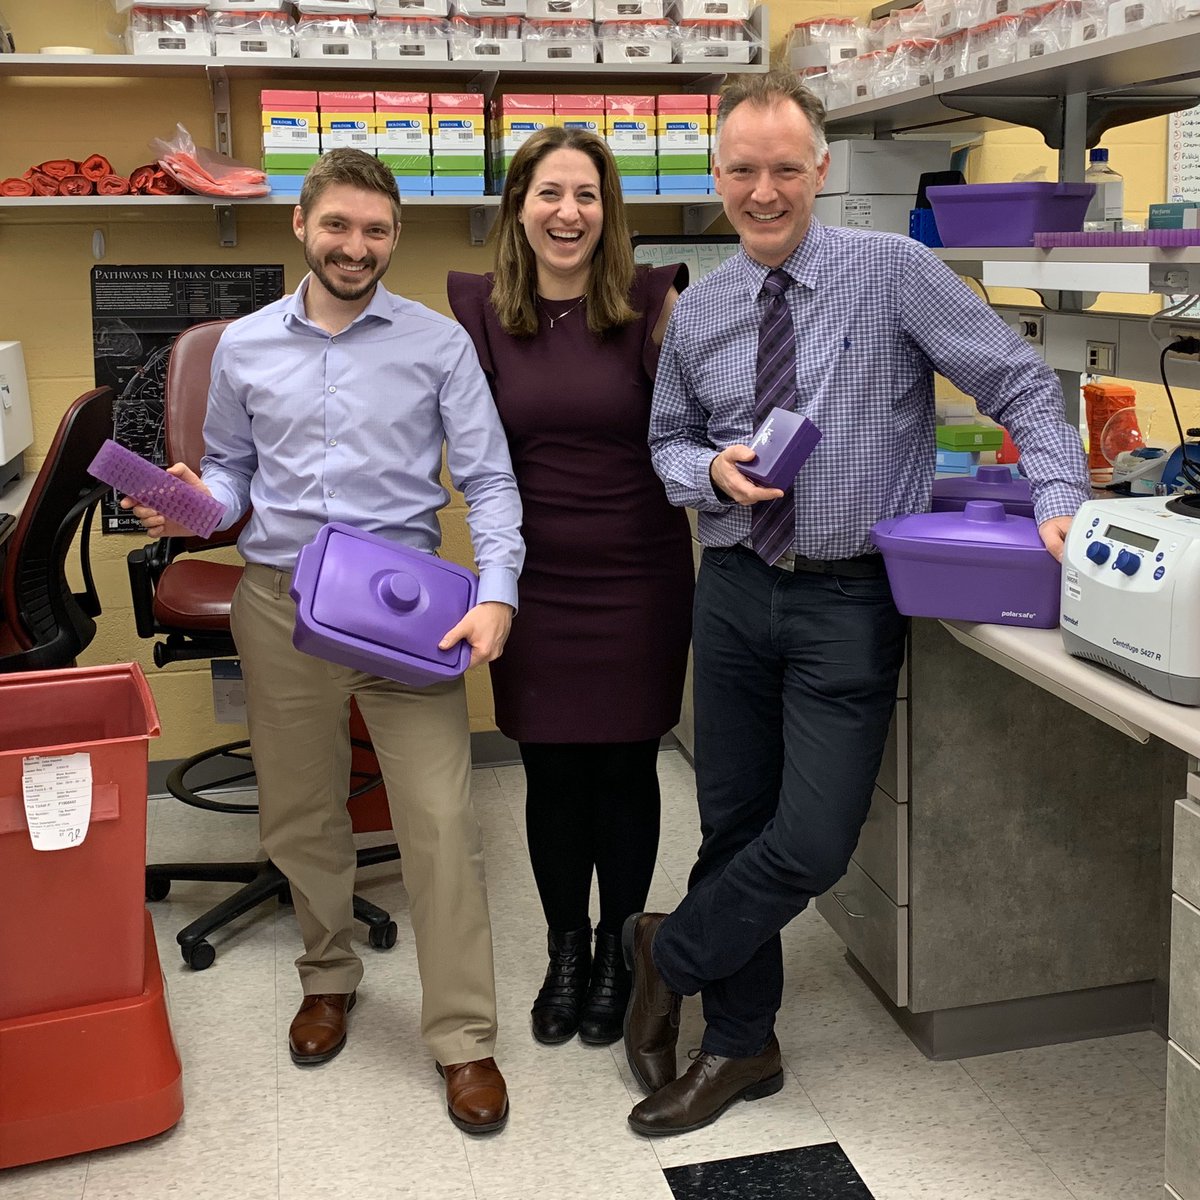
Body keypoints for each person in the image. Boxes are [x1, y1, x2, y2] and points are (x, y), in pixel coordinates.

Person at [623, 71, 1092, 1137]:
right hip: (736, 586)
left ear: (821, 169)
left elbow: (1021, 383)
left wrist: (1059, 496)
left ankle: (666, 951)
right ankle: (743, 1044)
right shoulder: (700, 308)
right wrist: (715, 474)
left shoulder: (893, 273)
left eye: (787, 168)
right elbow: (665, 445)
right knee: (734, 823)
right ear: (718, 175)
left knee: (815, 841)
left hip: (850, 597)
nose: (765, 190)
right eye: (743, 169)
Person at [123, 148, 525, 1136]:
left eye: (376, 230)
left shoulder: (438, 345)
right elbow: (232, 479)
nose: (357, 247)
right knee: (300, 810)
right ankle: (329, 975)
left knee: (436, 821)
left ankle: (463, 1039)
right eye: (338, 226)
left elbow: (493, 483)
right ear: (300, 226)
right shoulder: (246, 347)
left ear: (396, 238)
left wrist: (500, 593)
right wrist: (188, 505)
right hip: (279, 598)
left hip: (405, 608)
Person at [446, 127, 693, 1049]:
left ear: (608, 210)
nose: (568, 213)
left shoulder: (651, 301)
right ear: (518, 206)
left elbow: (706, 417)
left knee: (628, 765)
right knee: (550, 770)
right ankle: (566, 951)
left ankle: (623, 952)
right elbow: (461, 447)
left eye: (586, 196)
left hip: (638, 572)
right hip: (528, 576)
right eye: (549, 193)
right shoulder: (479, 312)